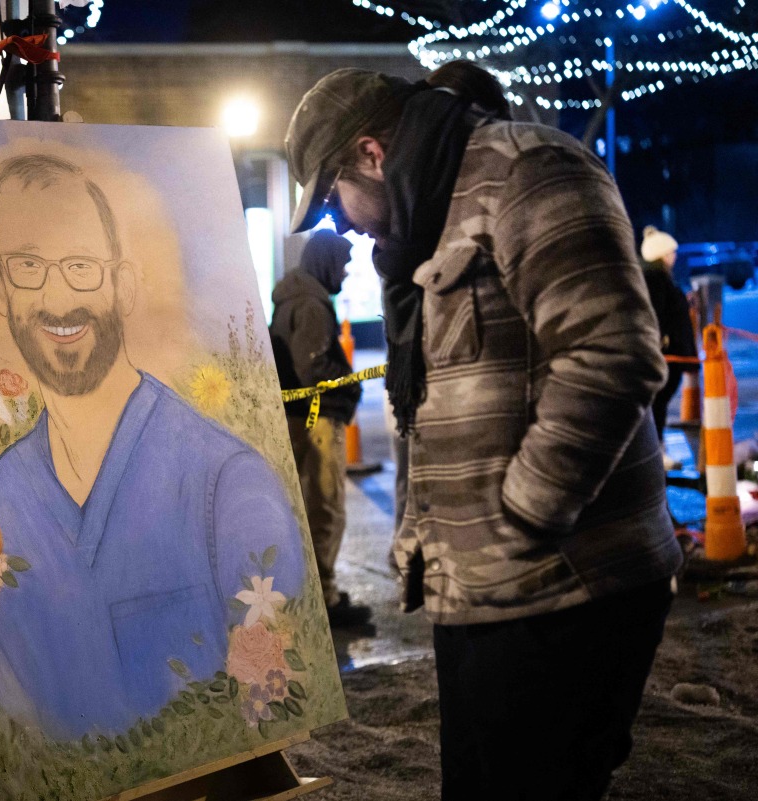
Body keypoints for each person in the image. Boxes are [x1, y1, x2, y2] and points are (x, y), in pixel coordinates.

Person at [285, 66, 681, 800]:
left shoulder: (529, 172)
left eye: (336, 201)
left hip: (564, 585)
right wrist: (428, 545)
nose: (346, 224)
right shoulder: (434, 216)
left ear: (371, 155)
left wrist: (523, 515)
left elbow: (612, 355)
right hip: (481, 589)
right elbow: (447, 401)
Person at [0, 154, 306, 740]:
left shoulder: (229, 486)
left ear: (122, 285)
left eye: (81, 266)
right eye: (28, 266)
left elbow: (274, 702)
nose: (56, 298)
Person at [269, 229, 370, 628]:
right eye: (342, 264)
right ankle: (324, 600)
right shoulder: (311, 303)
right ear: (326, 261)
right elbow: (313, 367)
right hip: (317, 418)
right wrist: (351, 386)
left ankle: (314, 594)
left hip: (299, 416)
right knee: (325, 509)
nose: (344, 274)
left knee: (309, 510)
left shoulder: (292, 296)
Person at [640, 225, 699, 468]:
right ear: (662, 255)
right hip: (667, 354)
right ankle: (656, 453)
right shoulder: (656, 281)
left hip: (669, 353)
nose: (674, 256)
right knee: (657, 404)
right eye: (671, 252)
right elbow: (658, 315)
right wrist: (662, 342)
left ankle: (656, 451)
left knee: (657, 404)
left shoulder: (656, 280)